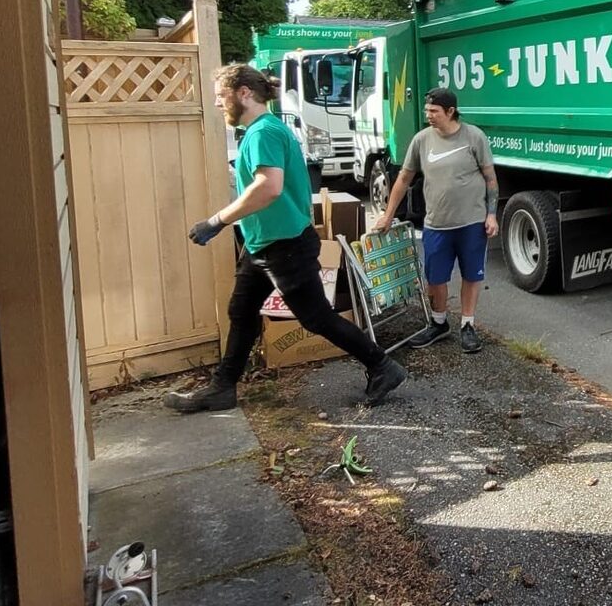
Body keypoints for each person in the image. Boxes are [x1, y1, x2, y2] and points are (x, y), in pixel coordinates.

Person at [166, 65, 406, 413]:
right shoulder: (260, 130)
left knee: (316, 318)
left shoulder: (264, 132)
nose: (218, 104)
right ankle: (223, 387)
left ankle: (382, 365)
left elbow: (269, 187)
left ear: (244, 93)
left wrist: (217, 220)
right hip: (263, 243)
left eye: (221, 96)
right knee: (242, 310)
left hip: (285, 245)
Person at [375, 87, 498, 353]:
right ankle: (439, 323)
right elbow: (404, 179)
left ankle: (468, 325)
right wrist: (388, 214)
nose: (428, 115)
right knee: (435, 278)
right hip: (436, 224)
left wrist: (491, 214)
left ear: (450, 112)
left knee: (471, 275)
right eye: (426, 110)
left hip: (471, 223)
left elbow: (490, 179)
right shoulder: (422, 140)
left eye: (434, 111)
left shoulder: (474, 137)